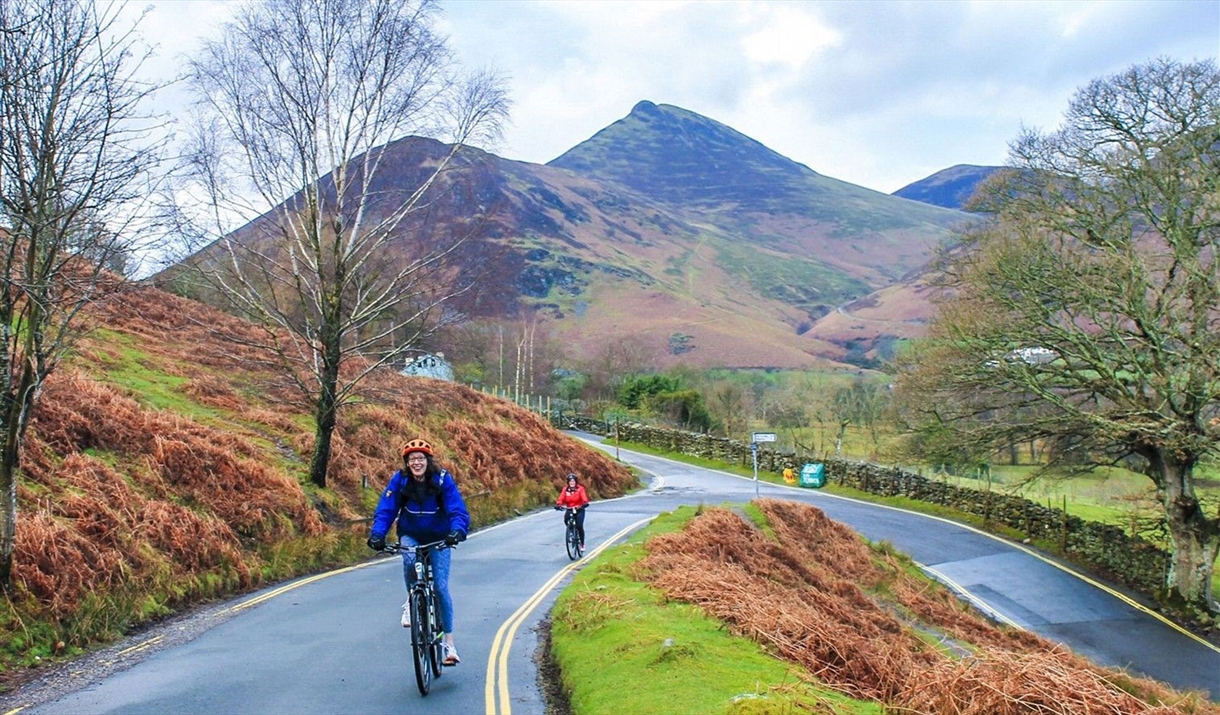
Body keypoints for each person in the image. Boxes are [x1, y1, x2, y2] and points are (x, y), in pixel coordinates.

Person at [368, 438, 470, 666]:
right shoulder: (400, 480)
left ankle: (449, 645)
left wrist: (457, 531)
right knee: (408, 558)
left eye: (420, 458)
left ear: (428, 460)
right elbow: (386, 509)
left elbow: (456, 509)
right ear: (407, 463)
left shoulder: (443, 479)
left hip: (439, 537)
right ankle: (411, 598)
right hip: (411, 532)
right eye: (412, 459)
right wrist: (378, 534)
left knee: (441, 587)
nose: (416, 462)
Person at [554, 473, 590, 550]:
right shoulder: (565, 489)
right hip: (570, 508)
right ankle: (571, 531)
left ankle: (582, 544)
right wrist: (558, 504)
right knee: (566, 520)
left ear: (576, 482)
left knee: (579, 526)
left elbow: (584, 497)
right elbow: (561, 498)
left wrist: (584, 503)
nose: (572, 483)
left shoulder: (580, 489)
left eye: (573, 481)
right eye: (570, 481)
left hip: (579, 509)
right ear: (568, 482)